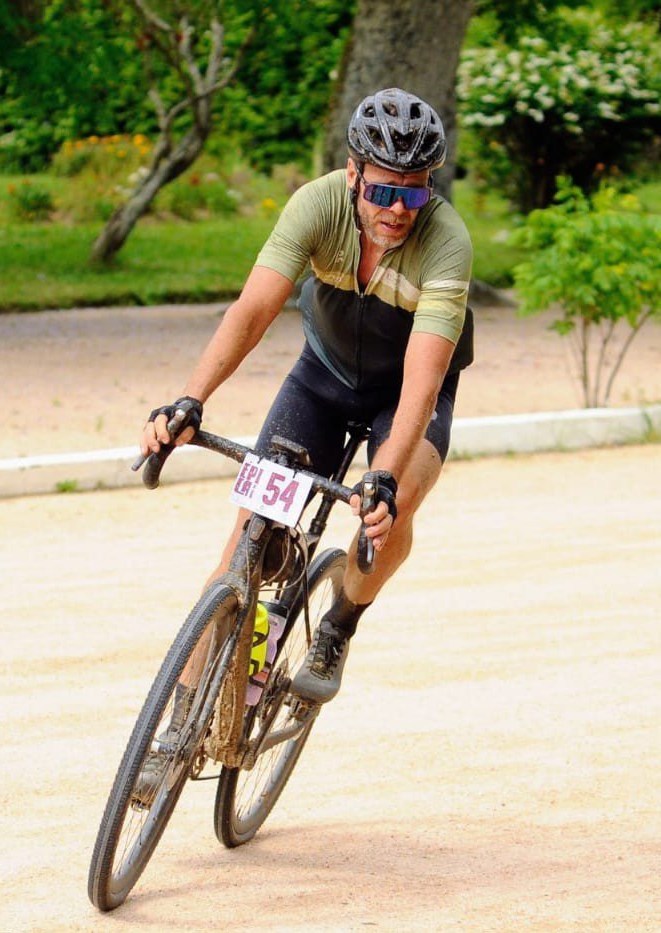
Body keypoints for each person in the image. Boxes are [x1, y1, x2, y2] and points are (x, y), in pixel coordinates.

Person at [140, 87, 474, 707]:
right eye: (383, 191)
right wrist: (191, 398)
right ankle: (176, 725)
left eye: (414, 192)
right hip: (321, 379)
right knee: (246, 541)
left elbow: (423, 384)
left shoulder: (447, 241)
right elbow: (253, 310)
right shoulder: (315, 205)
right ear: (353, 174)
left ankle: (339, 623)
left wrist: (385, 478)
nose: (398, 210)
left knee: (391, 511)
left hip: (402, 395)